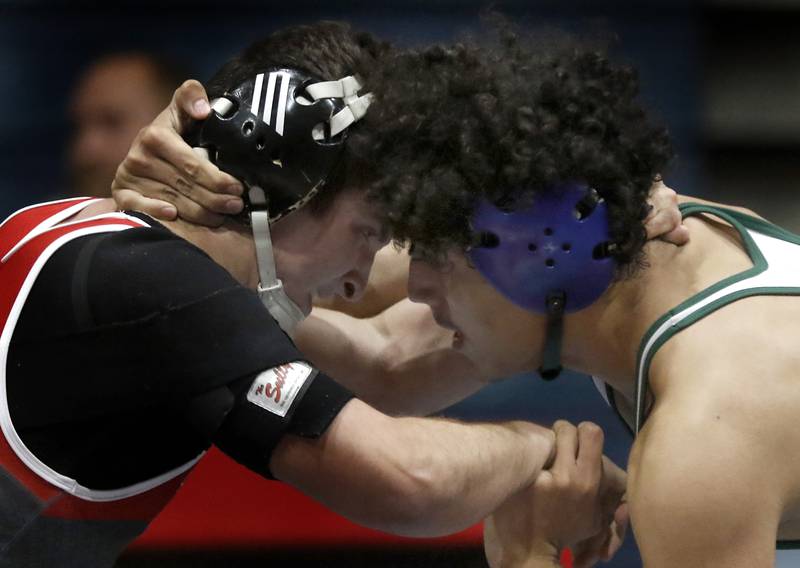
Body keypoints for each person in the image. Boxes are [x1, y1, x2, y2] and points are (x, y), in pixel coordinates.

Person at [115, 22, 800, 568]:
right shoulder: (643, 241)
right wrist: (183, 220)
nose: (410, 285)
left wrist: (531, 556)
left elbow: (386, 363)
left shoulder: (703, 443)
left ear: (540, 256)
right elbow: (382, 359)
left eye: (434, 259)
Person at [0, 22, 627, 568]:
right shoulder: (159, 293)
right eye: (367, 233)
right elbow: (410, 479)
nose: (358, 278)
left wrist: (584, 240)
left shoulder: (73, 233)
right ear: (278, 178)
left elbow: (387, 361)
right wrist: (548, 449)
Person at [68, 51, 187, 198]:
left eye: (112, 122)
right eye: (77, 127)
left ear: (178, 124)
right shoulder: (48, 217)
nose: (86, 152)